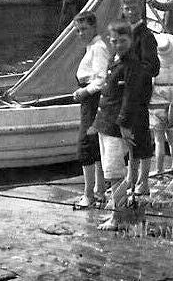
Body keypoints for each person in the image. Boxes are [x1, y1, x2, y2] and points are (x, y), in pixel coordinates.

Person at [92, 20, 153, 231]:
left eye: (123, 41)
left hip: (116, 127)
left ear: (131, 40)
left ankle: (117, 218)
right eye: (115, 41)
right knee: (111, 173)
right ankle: (116, 214)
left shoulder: (132, 66)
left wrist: (124, 126)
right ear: (110, 40)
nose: (118, 44)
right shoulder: (115, 60)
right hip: (105, 124)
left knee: (115, 174)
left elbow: (131, 98)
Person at [70, 11, 109, 209]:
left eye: (84, 29)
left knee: (85, 145)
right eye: (78, 30)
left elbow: (101, 80)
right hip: (89, 101)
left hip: (93, 100)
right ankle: (99, 191)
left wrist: (84, 92)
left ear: (94, 28)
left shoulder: (98, 48)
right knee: (94, 144)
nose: (81, 33)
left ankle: (88, 195)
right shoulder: (91, 47)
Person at [142, 34, 173, 179]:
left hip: (156, 109)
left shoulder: (154, 71)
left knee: (158, 140)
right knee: (172, 138)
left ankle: (160, 169)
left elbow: (148, 88)